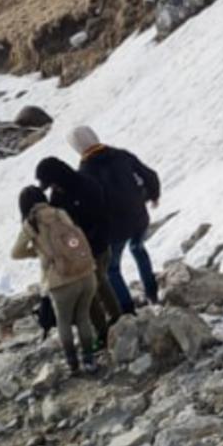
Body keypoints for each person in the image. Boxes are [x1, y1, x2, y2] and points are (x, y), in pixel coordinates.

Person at [70, 126, 163, 312]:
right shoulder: (121, 155)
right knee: (138, 248)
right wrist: (153, 195)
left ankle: (127, 309)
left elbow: (87, 209)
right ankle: (152, 294)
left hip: (114, 229)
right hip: (138, 217)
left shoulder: (84, 173)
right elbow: (149, 175)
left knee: (111, 269)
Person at [12, 185, 103, 371]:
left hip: (61, 280)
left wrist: (37, 252)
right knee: (83, 318)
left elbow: (15, 252)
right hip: (86, 273)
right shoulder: (60, 213)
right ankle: (89, 360)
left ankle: (72, 363)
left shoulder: (31, 224)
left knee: (64, 322)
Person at [36, 157, 124, 331]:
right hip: (78, 251)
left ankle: (111, 325)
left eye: (52, 184)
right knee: (95, 286)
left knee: (91, 290)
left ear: (59, 177)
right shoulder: (59, 194)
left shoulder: (87, 186)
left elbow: (101, 219)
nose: (52, 188)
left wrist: (88, 244)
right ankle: (111, 323)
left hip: (97, 247)